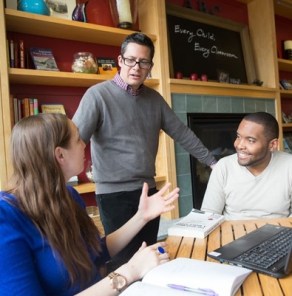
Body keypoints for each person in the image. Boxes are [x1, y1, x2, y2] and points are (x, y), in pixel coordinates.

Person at [72, 32, 216, 267]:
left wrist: (213, 163)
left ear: (150, 66)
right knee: (124, 262)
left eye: (144, 61)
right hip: (113, 195)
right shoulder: (97, 96)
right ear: (120, 61)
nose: (136, 67)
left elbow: (182, 133)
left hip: (148, 192)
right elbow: (75, 140)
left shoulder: (155, 99)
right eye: (131, 60)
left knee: (149, 257)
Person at [0, 113, 179, 296]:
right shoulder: (5, 218)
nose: (84, 145)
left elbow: (95, 252)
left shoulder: (68, 195)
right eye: (78, 139)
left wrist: (141, 217)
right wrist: (130, 271)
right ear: (60, 155)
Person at [201, 112, 292, 220]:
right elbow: (208, 216)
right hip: (233, 234)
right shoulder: (224, 167)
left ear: (272, 145)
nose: (239, 145)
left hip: (280, 233)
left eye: (250, 140)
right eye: (238, 137)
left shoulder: (288, 165)